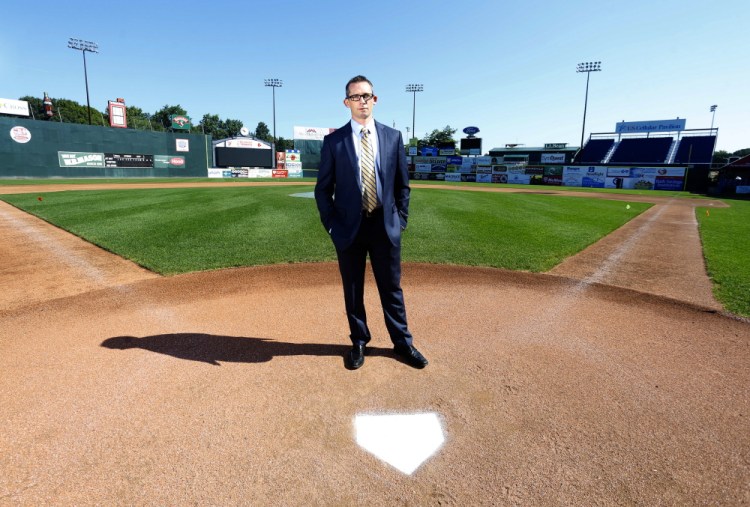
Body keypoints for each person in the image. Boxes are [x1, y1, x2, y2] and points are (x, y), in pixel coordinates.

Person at [314, 75, 428, 370]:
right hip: (348, 228)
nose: (362, 101)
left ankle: (402, 343)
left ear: (374, 99)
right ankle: (359, 341)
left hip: (384, 225)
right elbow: (322, 190)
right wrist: (331, 225)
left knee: (391, 288)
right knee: (353, 289)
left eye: (366, 96)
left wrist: (400, 220)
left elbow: (403, 185)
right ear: (346, 103)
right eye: (355, 97)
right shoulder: (334, 142)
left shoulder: (393, 137)